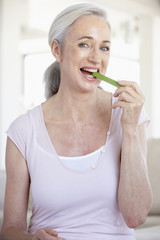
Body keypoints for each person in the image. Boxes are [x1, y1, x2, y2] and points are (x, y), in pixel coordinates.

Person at [0, 3, 152, 240]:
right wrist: (33, 239)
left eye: (104, 48)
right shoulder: (24, 130)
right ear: (57, 50)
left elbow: (135, 216)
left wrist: (130, 129)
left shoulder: (128, 114)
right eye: (84, 44)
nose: (95, 58)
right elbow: (9, 231)